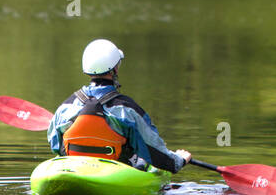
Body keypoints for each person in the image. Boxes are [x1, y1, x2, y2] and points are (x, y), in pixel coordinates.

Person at [47, 38, 192, 173]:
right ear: (115, 69)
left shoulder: (65, 108)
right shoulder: (127, 110)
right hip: (113, 172)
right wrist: (178, 160)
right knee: (141, 161)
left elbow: (56, 147)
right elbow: (154, 150)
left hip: (74, 169)